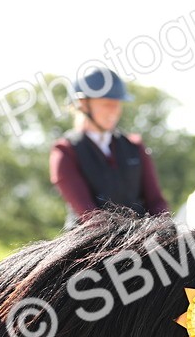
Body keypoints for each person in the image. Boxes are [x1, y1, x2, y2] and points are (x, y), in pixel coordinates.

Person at [49, 67, 169, 226]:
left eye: (117, 104)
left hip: (142, 234)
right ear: (83, 105)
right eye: (107, 104)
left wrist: (163, 228)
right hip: (92, 238)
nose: (115, 111)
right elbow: (90, 216)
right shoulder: (65, 153)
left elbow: (156, 201)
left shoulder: (135, 146)